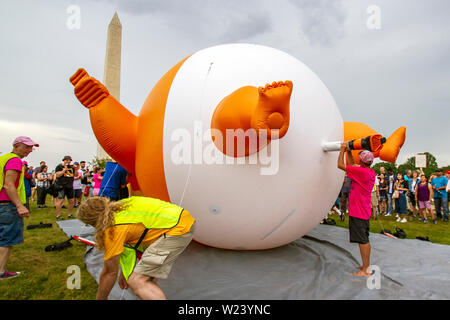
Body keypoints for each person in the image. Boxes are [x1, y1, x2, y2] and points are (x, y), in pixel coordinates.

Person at [76, 196, 196, 300]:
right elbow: (134, 241)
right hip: (180, 220)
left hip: (177, 229)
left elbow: (109, 273)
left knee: (137, 281)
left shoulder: (112, 229)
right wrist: (125, 272)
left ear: (94, 222)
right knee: (145, 277)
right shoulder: (123, 206)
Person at [0, 136, 38, 279]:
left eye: (31, 147)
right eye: (26, 147)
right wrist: (19, 205)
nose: (30, 150)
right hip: (7, 205)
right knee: (6, 238)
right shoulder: (15, 160)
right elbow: (8, 184)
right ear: (16, 146)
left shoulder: (3, 158)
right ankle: (1, 272)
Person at [338, 143, 376, 277]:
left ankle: (365, 270)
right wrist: (348, 151)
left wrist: (342, 150)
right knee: (364, 239)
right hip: (363, 210)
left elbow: (340, 165)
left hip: (358, 211)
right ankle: (365, 265)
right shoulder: (369, 171)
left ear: (362, 161)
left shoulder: (361, 172)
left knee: (363, 240)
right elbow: (353, 165)